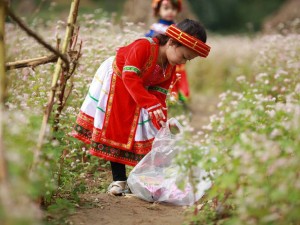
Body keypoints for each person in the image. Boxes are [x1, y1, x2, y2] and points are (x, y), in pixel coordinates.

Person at [71, 19, 210, 196]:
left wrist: (161, 120)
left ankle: (140, 180)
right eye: (184, 57)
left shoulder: (169, 67)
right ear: (172, 42)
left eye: (188, 60)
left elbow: (160, 94)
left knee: (149, 132)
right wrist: (149, 103)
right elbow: (129, 76)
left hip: (138, 89)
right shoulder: (144, 46)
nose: (183, 62)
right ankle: (118, 180)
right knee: (118, 128)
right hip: (118, 80)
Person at [146, 0, 190, 103]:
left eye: (173, 9)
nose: (170, 12)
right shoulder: (156, 29)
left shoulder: (179, 28)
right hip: (162, 61)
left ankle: (179, 100)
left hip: (178, 62)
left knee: (178, 78)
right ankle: (166, 99)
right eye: (166, 8)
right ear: (158, 10)